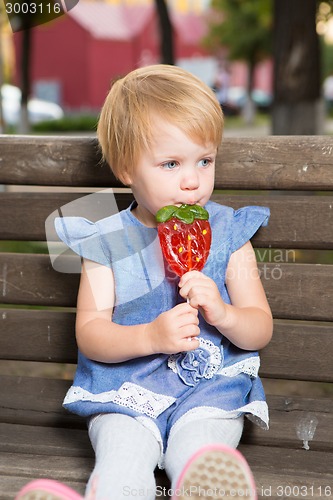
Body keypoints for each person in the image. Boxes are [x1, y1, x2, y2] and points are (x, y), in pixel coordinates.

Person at [16, 64, 273, 500]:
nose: (192, 181)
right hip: (126, 390)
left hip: (208, 387)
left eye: (204, 161)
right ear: (125, 169)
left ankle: (203, 487)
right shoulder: (108, 242)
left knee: (199, 449)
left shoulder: (228, 233)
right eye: (170, 163)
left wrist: (225, 314)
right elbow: (92, 333)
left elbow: (260, 328)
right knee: (122, 455)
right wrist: (151, 336)